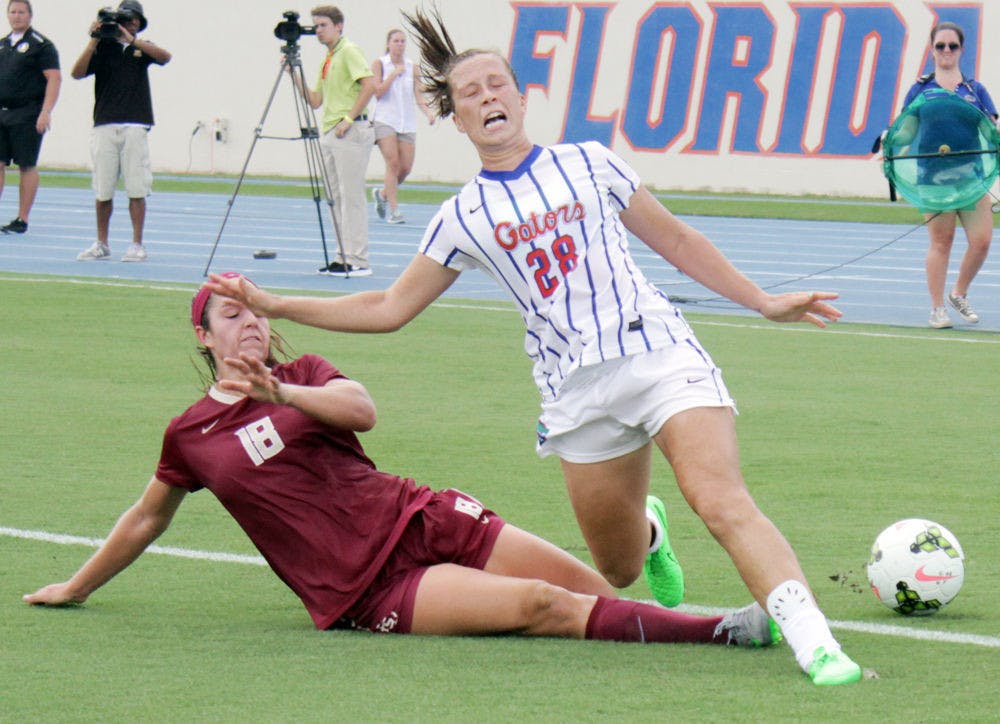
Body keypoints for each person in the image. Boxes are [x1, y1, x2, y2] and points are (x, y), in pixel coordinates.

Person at [207, 8, 861, 686]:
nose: (488, 97)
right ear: (455, 120)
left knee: (720, 500)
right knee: (620, 567)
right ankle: (652, 531)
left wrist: (763, 300)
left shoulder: (590, 161)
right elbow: (388, 307)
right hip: (576, 395)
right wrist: (276, 303)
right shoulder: (462, 215)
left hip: (659, 355)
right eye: (471, 93)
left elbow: (677, 240)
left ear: (522, 97)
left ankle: (816, 644)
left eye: (498, 84)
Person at [23, 273, 780, 654]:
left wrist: (279, 388)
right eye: (230, 315)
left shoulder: (308, 372)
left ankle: (663, 570)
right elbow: (146, 518)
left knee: (588, 583)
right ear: (203, 336)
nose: (250, 323)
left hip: (421, 512)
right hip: (367, 584)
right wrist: (76, 586)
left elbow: (362, 409)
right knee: (543, 607)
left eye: (253, 312)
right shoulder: (191, 433)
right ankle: (724, 632)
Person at [900, 21, 997, 329]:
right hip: (934, 179)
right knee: (942, 242)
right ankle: (937, 308)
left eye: (952, 46)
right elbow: (906, 131)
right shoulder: (921, 89)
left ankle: (959, 293)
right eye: (940, 46)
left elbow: (989, 129)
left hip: (971, 178)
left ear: (961, 50)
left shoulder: (974, 90)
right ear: (932, 50)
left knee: (981, 242)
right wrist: (889, 148)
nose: (946, 51)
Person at [71, 0, 171, 263]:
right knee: (103, 189)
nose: (124, 25)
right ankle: (101, 242)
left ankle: (137, 243)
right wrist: (94, 40)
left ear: (136, 22)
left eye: (129, 20)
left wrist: (130, 40)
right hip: (105, 122)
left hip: (135, 123)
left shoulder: (142, 49)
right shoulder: (103, 49)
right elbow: (77, 72)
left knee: (136, 187)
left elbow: (165, 57)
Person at [291, 5, 375, 277]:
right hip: (330, 130)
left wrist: (349, 119)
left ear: (338, 26)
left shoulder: (348, 51)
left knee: (351, 197)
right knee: (335, 197)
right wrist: (293, 74)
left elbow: (369, 84)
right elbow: (315, 100)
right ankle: (342, 255)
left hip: (348, 131)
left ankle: (358, 258)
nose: (318, 31)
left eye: (323, 25)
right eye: (315, 26)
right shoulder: (328, 59)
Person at [0, 0, 60, 235]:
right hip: (2, 111)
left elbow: (54, 79)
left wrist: (46, 111)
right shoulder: (3, 45)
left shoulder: (41, 46)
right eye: (12, 12)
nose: (16, 16)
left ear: (30, 15)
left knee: (27, 164)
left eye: (21, 12)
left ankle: (22, 219)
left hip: (27, 113)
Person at [370, 28, 436, 225]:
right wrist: (393, 75)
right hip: (385, 119)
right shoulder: (380, 63)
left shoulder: (412, 67)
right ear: (389, 44)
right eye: (396, 41)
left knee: (405, 168)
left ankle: (382, 194)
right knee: (393, 163)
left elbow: (418, 94)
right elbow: (378, 92)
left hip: (406, 122)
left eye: (402, 41)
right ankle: (394, 211)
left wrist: (428, 112)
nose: (399, 45)